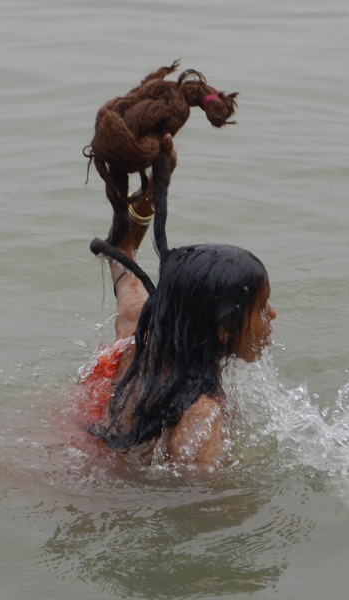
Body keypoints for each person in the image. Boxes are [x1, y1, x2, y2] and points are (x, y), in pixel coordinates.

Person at [76, 135, 276, 469]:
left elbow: (121, 253)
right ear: (223, 331)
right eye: (259, 307)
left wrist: (153, 192)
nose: (272, 314)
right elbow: (202, 508)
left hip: (74, 443)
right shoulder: (202, 418)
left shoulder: (137, 329)